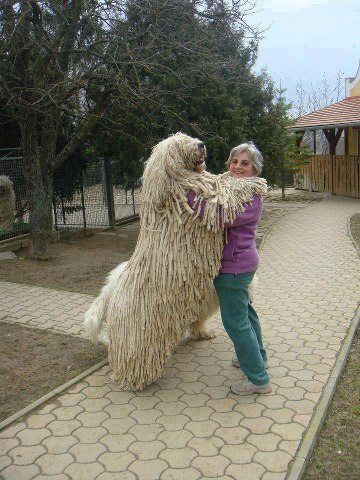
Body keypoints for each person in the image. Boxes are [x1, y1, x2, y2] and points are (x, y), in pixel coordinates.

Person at [192, 143, 271, 395]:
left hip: (234, 266)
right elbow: (215, 186)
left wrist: (187, 195)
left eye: (245, 163)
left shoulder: (249, 195)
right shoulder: (229, 185)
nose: (238, 166)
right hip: (240, 263)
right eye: (234, 161)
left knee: (235, 322)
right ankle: (257, 355)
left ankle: (258, 380)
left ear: (255, 169)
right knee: (246, 312)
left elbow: (217, 215)